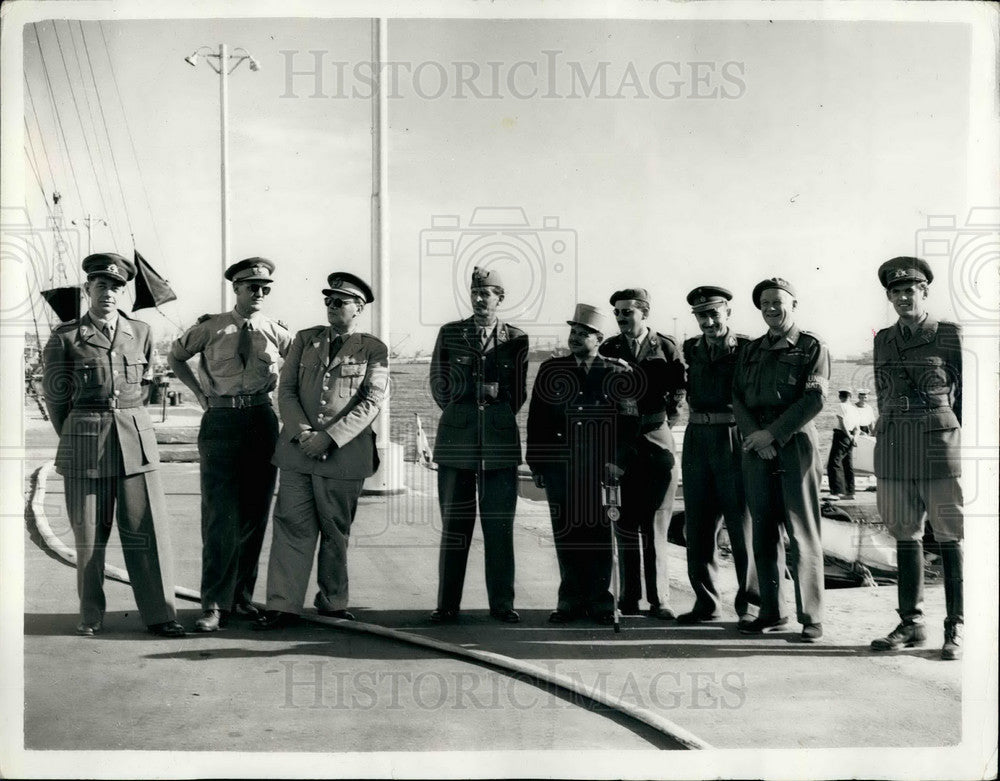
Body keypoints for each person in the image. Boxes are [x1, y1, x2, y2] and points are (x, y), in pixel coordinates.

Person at [41, 252, 185, 638]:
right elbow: (56, 401)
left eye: (117, 287)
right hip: (85, 441)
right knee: (89, 535)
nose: (109, 293)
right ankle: (91, 615)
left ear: (124, 293)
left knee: (146, 530)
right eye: (101, 285)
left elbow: (146, 386)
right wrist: (76, 435)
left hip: (135, 440)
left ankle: (160, 614)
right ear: (88, 289)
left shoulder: (141, 332)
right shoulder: (66, 337)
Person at [253, 273, 389, 630]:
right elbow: (287, 391)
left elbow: (371, 401)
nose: (331, 306)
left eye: (340, 301)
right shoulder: (305, 339)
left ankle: (332, 601)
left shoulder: (373, 348)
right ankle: (282, 604)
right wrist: (303, 433)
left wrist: (328, 438)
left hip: (343, 456)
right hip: (298, 453)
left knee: (334, 531)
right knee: (291, 526)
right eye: (328, 300)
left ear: (358, 308)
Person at [168, 258, 291, 632]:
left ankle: (240, 598)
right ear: (236, 288)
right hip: (221, 422)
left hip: (260, 421)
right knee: (220, 516)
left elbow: (301, 364)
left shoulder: (278, 331)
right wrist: (201, 394)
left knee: (255, 515)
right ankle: (213, 604)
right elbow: (175, 356)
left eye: (265, 288)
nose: (259, 293)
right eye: (252, 286)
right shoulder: (210, 328)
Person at [869, 257, 963, 661]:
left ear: (925, 292)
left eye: (911, 290)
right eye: (896, 292)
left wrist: (968, 446)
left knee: (949, 534)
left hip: (938, 445)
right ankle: (911, 622)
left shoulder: (947, 334)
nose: (904, 297)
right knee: (904, 534)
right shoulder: (883, 339)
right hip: (893, 446)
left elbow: (971, 395)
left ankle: (956, 624)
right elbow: (881, 390)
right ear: (889, 297)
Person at [526, 303, 638, 625]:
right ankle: (570, 601)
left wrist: (618, 463)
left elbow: (629, 423)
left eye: (583, 333)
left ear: (599, 338)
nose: (575, 337)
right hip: (561, 466)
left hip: (602, 468)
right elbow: (538, 420)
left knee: (600, 533)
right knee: (566, 533)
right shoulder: (551, 370)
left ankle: (601, 602)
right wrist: (537, 464)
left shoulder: (617, 371)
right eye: (573, 331)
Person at [429, 266, 529, 624]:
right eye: (475, 293)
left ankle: (502, 604)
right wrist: (468, 409)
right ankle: (447, 605)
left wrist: (494, 414)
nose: (480, 299)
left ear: (500, 298)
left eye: (487, 293)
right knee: (455, 527)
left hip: (500, 444)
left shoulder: (516, 338)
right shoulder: (451, 333)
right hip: (457, 440)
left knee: (499, 527)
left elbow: (518, 392)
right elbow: (439, 385)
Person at [732, 278, 830, 643]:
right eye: (764, 304)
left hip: (795, 443)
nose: (771, 308)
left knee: (802, 531)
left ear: (794, 304)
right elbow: (737, 397)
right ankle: (772, 612)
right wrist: (757, 438)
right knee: (763, 530)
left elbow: (814, 400)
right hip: (757, 446)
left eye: (778, 302)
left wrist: (773, 434)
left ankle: (812, 617)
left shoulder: (811, 346)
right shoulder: (751, 349)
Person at [598, 288, 685, 619]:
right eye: (617, 313)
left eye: (627, 313)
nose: (621, 319)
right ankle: (629, 597)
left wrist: (662, 422)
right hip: (622, 441)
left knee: (658, 520)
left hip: (656, 436)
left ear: (644, 312)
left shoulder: (664, 346)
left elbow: (679, 390)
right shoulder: (610, 348)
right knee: (626, 520)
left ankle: (660, 599)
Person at [677, 286, 760, 628]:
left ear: (728, 313)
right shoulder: (690, 348)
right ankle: (706, 602)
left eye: (714, 313)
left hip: (733, 437)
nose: (708, 321)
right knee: (697, 526)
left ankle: (751, 604)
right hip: (697, 438)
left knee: (741, 525)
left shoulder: (747, 348)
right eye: (701, 315)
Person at [826, 389, 860, 500]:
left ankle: (836, 492)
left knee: (834, 463)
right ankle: (850, 492)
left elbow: (842, 422)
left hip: (841, 435)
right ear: (850, 396)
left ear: (840, 396)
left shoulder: (842, 406)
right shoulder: (854, 409)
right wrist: (854, 438)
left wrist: (848, 436)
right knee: (847, 464)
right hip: (850, 436)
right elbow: (857, 428)